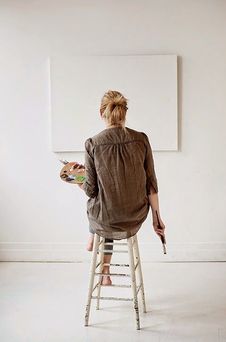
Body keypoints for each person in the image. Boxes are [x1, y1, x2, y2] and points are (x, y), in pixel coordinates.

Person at [78, 90, 166, 285]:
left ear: (102, 113)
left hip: (107, 218)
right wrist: (156, 219)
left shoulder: (92, 143)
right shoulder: (141, 139)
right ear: (125, 112)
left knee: (101, 206)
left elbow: (90, 190)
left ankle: (98, 249)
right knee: (110, 202)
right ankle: (102, 259)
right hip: (135, 216)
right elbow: (151, 184)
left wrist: (78, 181)